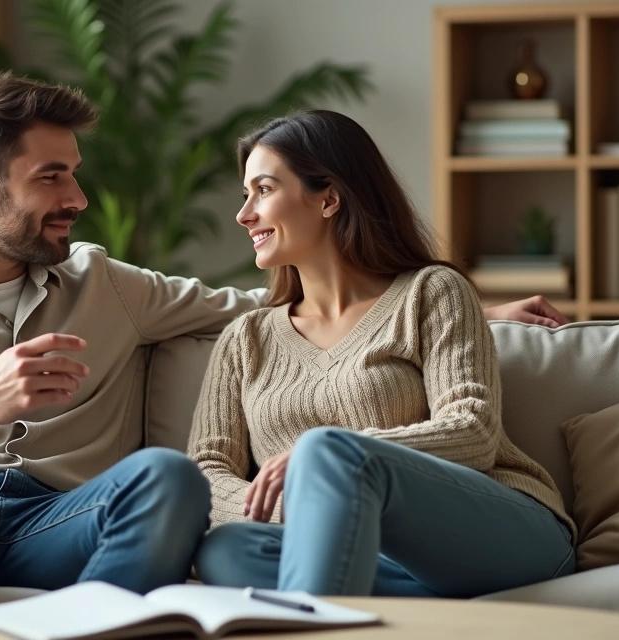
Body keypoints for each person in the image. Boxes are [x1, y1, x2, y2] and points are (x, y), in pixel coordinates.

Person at [0, 71, 567, 637]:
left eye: (75, 175)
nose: (79, 200)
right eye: (52, 177)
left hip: (57, 521)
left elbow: (263, 306)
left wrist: (463, 307)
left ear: (328, 197)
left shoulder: (104, 281)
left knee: (167, 478)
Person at [187, 110, 576, 599]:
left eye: (263, 190)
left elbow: (473, 431)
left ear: (328, 197)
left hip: (495, 530)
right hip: (359, 552)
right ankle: (397, 601)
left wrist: (330, 463)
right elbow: (205, 472)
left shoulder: (432, 292)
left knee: (327, 450)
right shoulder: (247, 339)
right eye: (246, 195)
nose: (245, 214)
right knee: (224, 550)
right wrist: (317, 502)